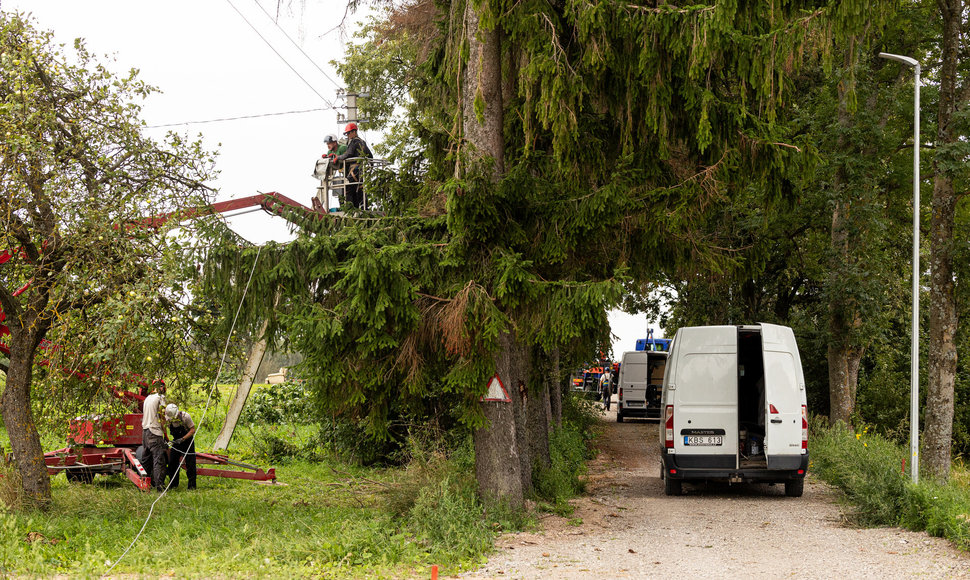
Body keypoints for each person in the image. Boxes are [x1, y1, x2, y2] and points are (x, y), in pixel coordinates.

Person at [335, 122, 372, 210]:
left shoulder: (354, 142)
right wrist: (369, 168)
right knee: (359, 188)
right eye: (347, 133)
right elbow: (370, 156)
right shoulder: (362, 142)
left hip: (355, 170)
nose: (348, 135)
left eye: (349, 133)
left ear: (354, 132)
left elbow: (348, 154)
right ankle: (363, 207)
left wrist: (338, 158)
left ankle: (349, 208)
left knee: (347, 188)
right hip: (361, 170)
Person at [141, 380, 168, 491]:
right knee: (158, 460)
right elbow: (162, 417)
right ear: (161, 387)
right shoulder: (160, 398)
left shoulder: (147, 398)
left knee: (146, 461)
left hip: (145, 432)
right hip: (155, 432)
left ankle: (144, 485)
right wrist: (165, 433)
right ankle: (159, 487)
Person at [164, 403, 197, 490]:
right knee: (172, 463)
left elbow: (192, 430)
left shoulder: (185, 417)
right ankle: (173, 485)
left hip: (187, 441)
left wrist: (183, 439)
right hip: (176, 442)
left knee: (190, 464)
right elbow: (164, 427)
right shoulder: (167, 419)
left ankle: (192, 486)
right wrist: (166, 439)